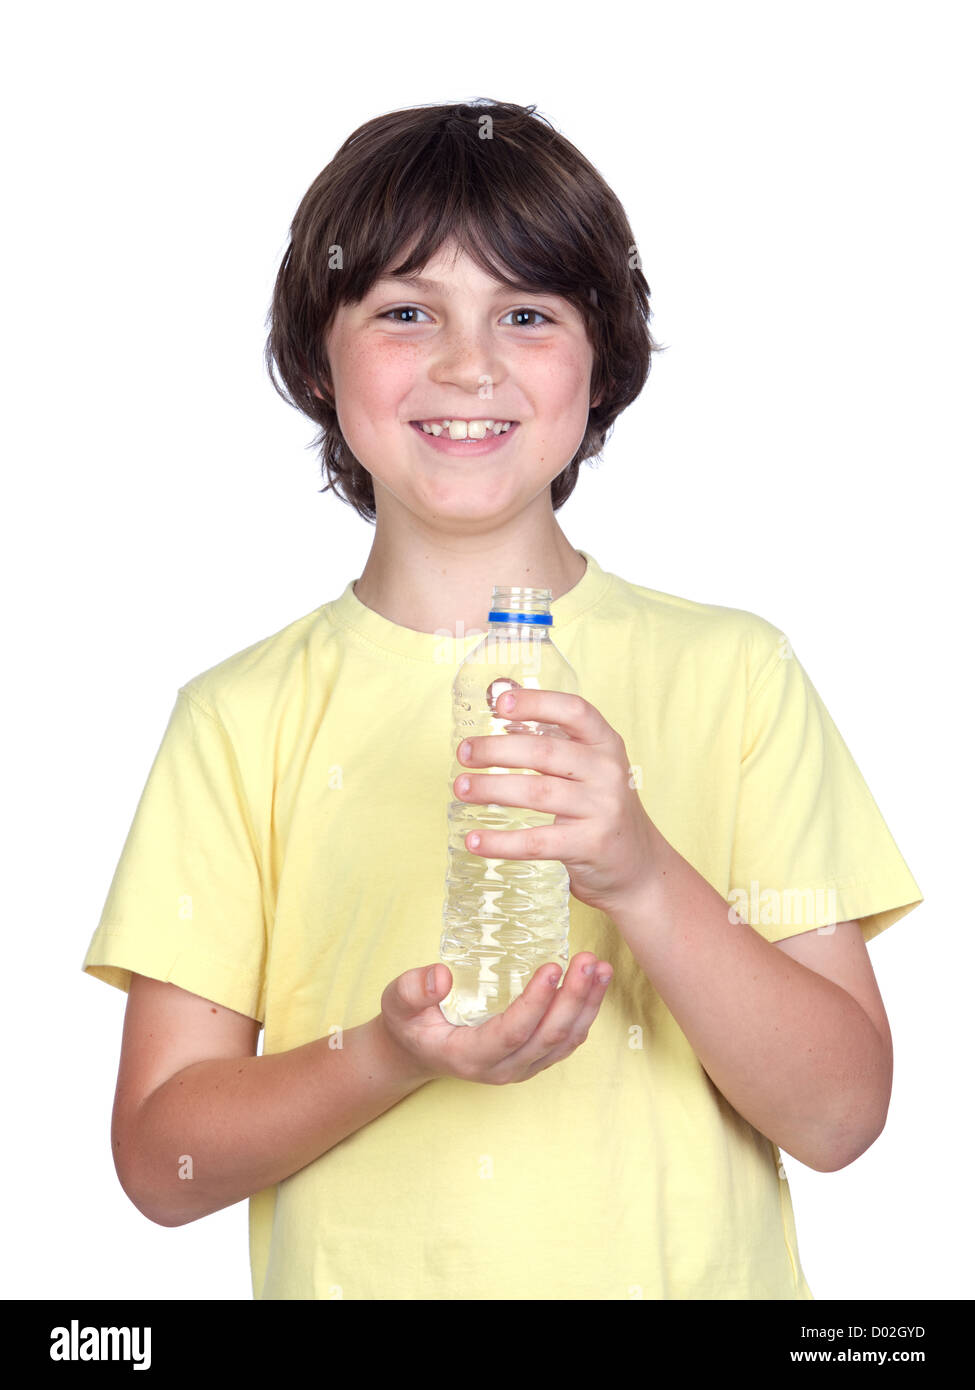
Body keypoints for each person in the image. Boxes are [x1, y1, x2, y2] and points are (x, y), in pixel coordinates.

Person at [82, 99, 923, 1300]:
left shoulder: (736, 676)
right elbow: (163, 1162)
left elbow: (841, 1116)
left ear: (602, 359)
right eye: (406, 311)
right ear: (321, 358)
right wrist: (388, 1056)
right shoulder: (238, 718)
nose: (467, 364)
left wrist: (639, 870)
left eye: (525, 313)